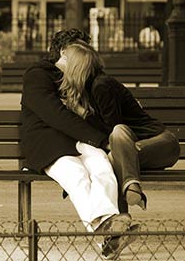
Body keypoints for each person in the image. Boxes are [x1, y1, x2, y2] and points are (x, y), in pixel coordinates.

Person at [20, 29, 132, 259]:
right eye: (79, 50)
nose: (85, 55)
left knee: (102, 166)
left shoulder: (83, 76)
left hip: (78, 140)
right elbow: (56, 115)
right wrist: (101, 139)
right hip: (47, 144)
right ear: (63, 51)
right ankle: (107, 231)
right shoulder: (37, 76)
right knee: (76, 174)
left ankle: (110, 231)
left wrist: (101, 141)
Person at [58, 39, 180, 214]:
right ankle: (131, 190)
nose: (63, 66)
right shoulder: (87, 89)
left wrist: (83, 114)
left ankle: (118, 217)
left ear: (76, 67)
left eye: (67, 61)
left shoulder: (101, 86)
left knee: (118, 134)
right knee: (115, 161)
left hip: (162, 144)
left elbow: (111, 129)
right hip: (134, 150)